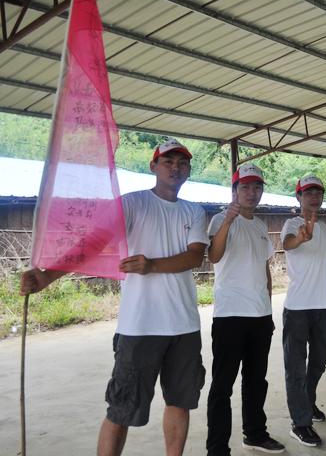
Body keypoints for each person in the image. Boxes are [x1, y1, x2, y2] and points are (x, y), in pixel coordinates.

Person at [21, 139, 208, 456]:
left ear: (189, 170)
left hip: (184, 325)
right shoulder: (131, 204)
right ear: (153, 166)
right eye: (168, 161)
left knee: (180, 402)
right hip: (139, 326)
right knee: (121, 408)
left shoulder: (194, 211)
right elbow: (92, 243)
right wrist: (47, 276)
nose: (175, 168)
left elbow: (194, 257)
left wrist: (151, 265)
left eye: (182, 163)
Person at [206, 163, 285, 455]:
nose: (252, 192)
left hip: (259, 316)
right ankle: (217, 448)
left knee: (256, 381)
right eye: (245, 187)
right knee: (222, 385)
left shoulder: (261, 226)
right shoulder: (220, 219)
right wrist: (228, 221)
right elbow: (214, 256)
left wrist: (268, 310)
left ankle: (255, 434)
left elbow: (264, 268)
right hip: (230, 315)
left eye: (257, 187)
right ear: (235, 191)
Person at [280, 175, 326, 447]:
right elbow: (287, 243)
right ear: (299, 197)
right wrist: (301, 238)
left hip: (323, 306)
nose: (314, 197)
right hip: (298, 309)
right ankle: (299, 423)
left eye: (318, 193)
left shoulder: (324, 229)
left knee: (319, 361)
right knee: (296, 368)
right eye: (308, 193)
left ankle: (307, 402)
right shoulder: (292, 224)